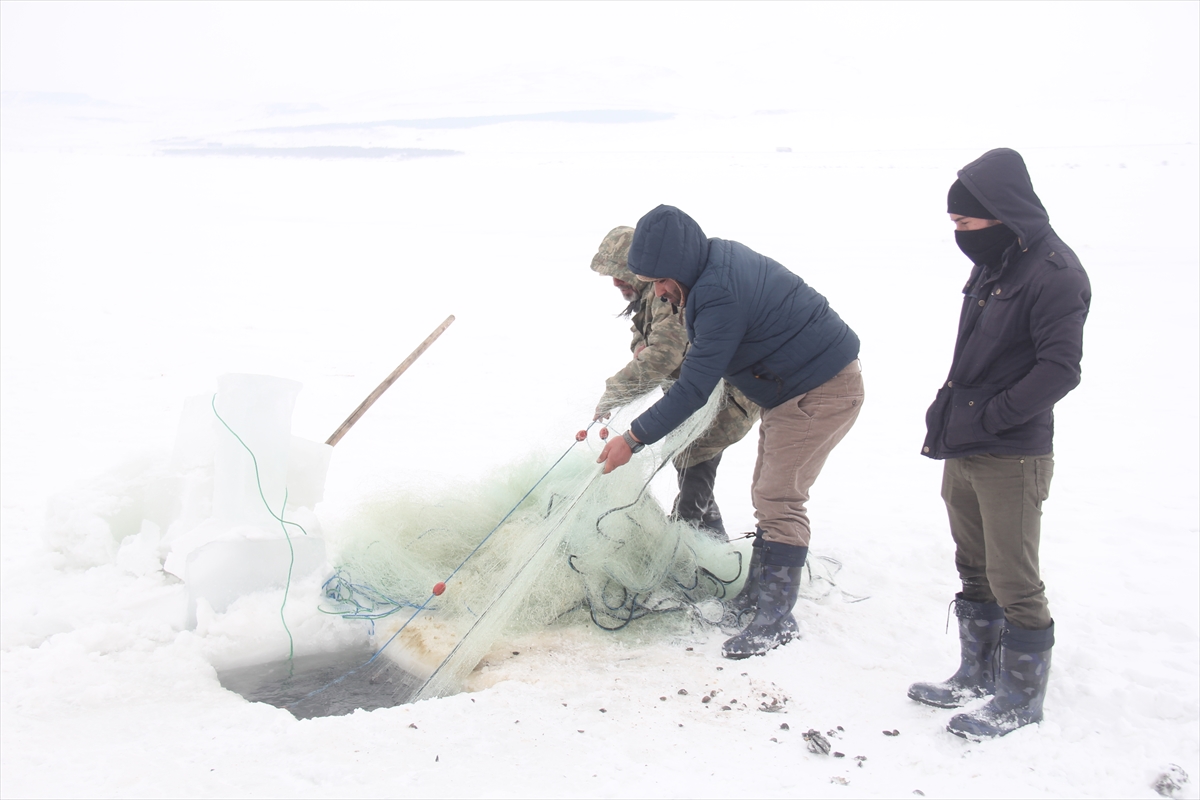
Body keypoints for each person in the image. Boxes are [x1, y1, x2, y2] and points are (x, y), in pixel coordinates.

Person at [595, 206, 863, 659]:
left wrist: (633, 438)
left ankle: (775, 618)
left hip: (820, 388)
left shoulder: (717, 292)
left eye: (660, 280)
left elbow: (694, 388)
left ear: (677, 265)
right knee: (767, 491)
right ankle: (758, 598)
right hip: (786, 388)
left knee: (779, 497)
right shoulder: (709, 270)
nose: (657, 292)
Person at [908, 148, 1091, 739]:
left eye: (965, 224)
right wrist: (956, 416)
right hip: (965, 438)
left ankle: (1020, 697)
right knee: (974, 565)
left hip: (1012, 451)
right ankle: (976, 672)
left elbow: (1060, 369)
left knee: (1013, 575)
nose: (959, 236)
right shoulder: (999, 262)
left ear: (1001, 214)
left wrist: (994, 417)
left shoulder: (1056, 274)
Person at [588, 226, 760, 541]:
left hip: (724, 400)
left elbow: (661, 357)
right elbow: (648, 341)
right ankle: (710, 538)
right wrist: (640, 346)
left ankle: (685, 542)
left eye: (619, 272)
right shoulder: (651, 298)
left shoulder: (668, 296)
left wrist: (613, 395)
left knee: (693, 458)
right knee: (686, 459)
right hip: (698, 398)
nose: (614, 281)